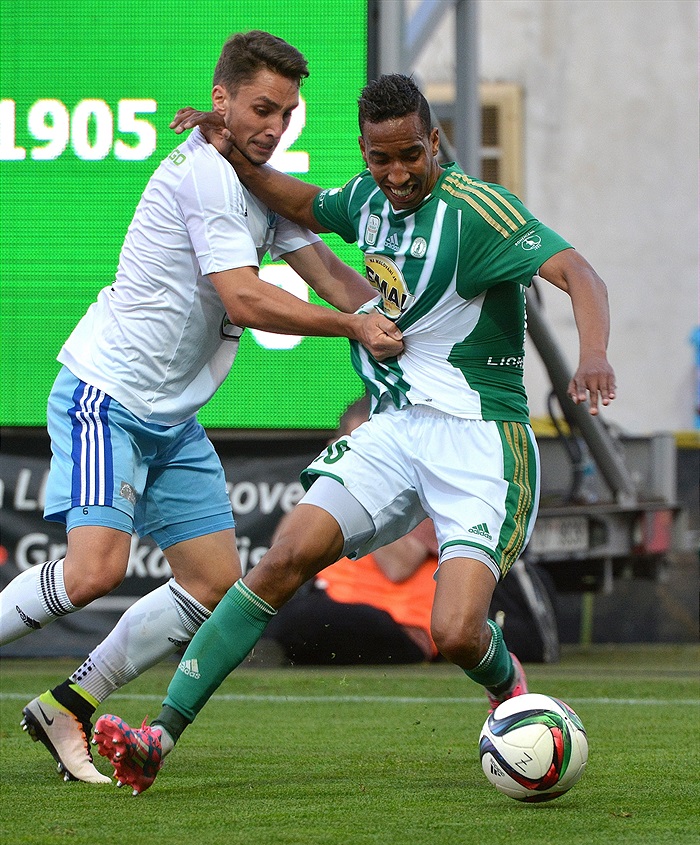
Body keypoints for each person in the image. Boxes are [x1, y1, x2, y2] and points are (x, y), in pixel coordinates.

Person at [94, 73, 616, 794]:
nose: (397, 174)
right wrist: (233, 153)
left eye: (410, 155)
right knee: (281, 559)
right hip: (394, 429)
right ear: (365, 152)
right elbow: (303, 202)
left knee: (457, 633)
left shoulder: (478, 212)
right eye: (381, 158)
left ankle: (507, 684)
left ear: (434, 142)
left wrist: (592, 354)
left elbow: (578, 271)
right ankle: (159, 734)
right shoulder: (367, 198)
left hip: (480, 441)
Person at [0, 32, 402, 785]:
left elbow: (330, 274)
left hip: (173, 418)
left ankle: (72, 701)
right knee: (93, 572)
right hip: (107, 396)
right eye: (260, 108)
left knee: (215, 582)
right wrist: (354, 326)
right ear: (221, 100)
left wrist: (403, 319)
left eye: (285, 113)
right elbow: (245, 299)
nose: (274, 126)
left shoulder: (255, 180)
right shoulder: (205, 177)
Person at [261, 395, 439, 665]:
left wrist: (366, 483)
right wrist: (329, 479)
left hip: (401, 627)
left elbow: (399, 566)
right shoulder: (335, 493)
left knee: (307, 617)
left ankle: (265, 646)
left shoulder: (421, 496)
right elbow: (284, 550)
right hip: (330, 610)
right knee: (269, 608)